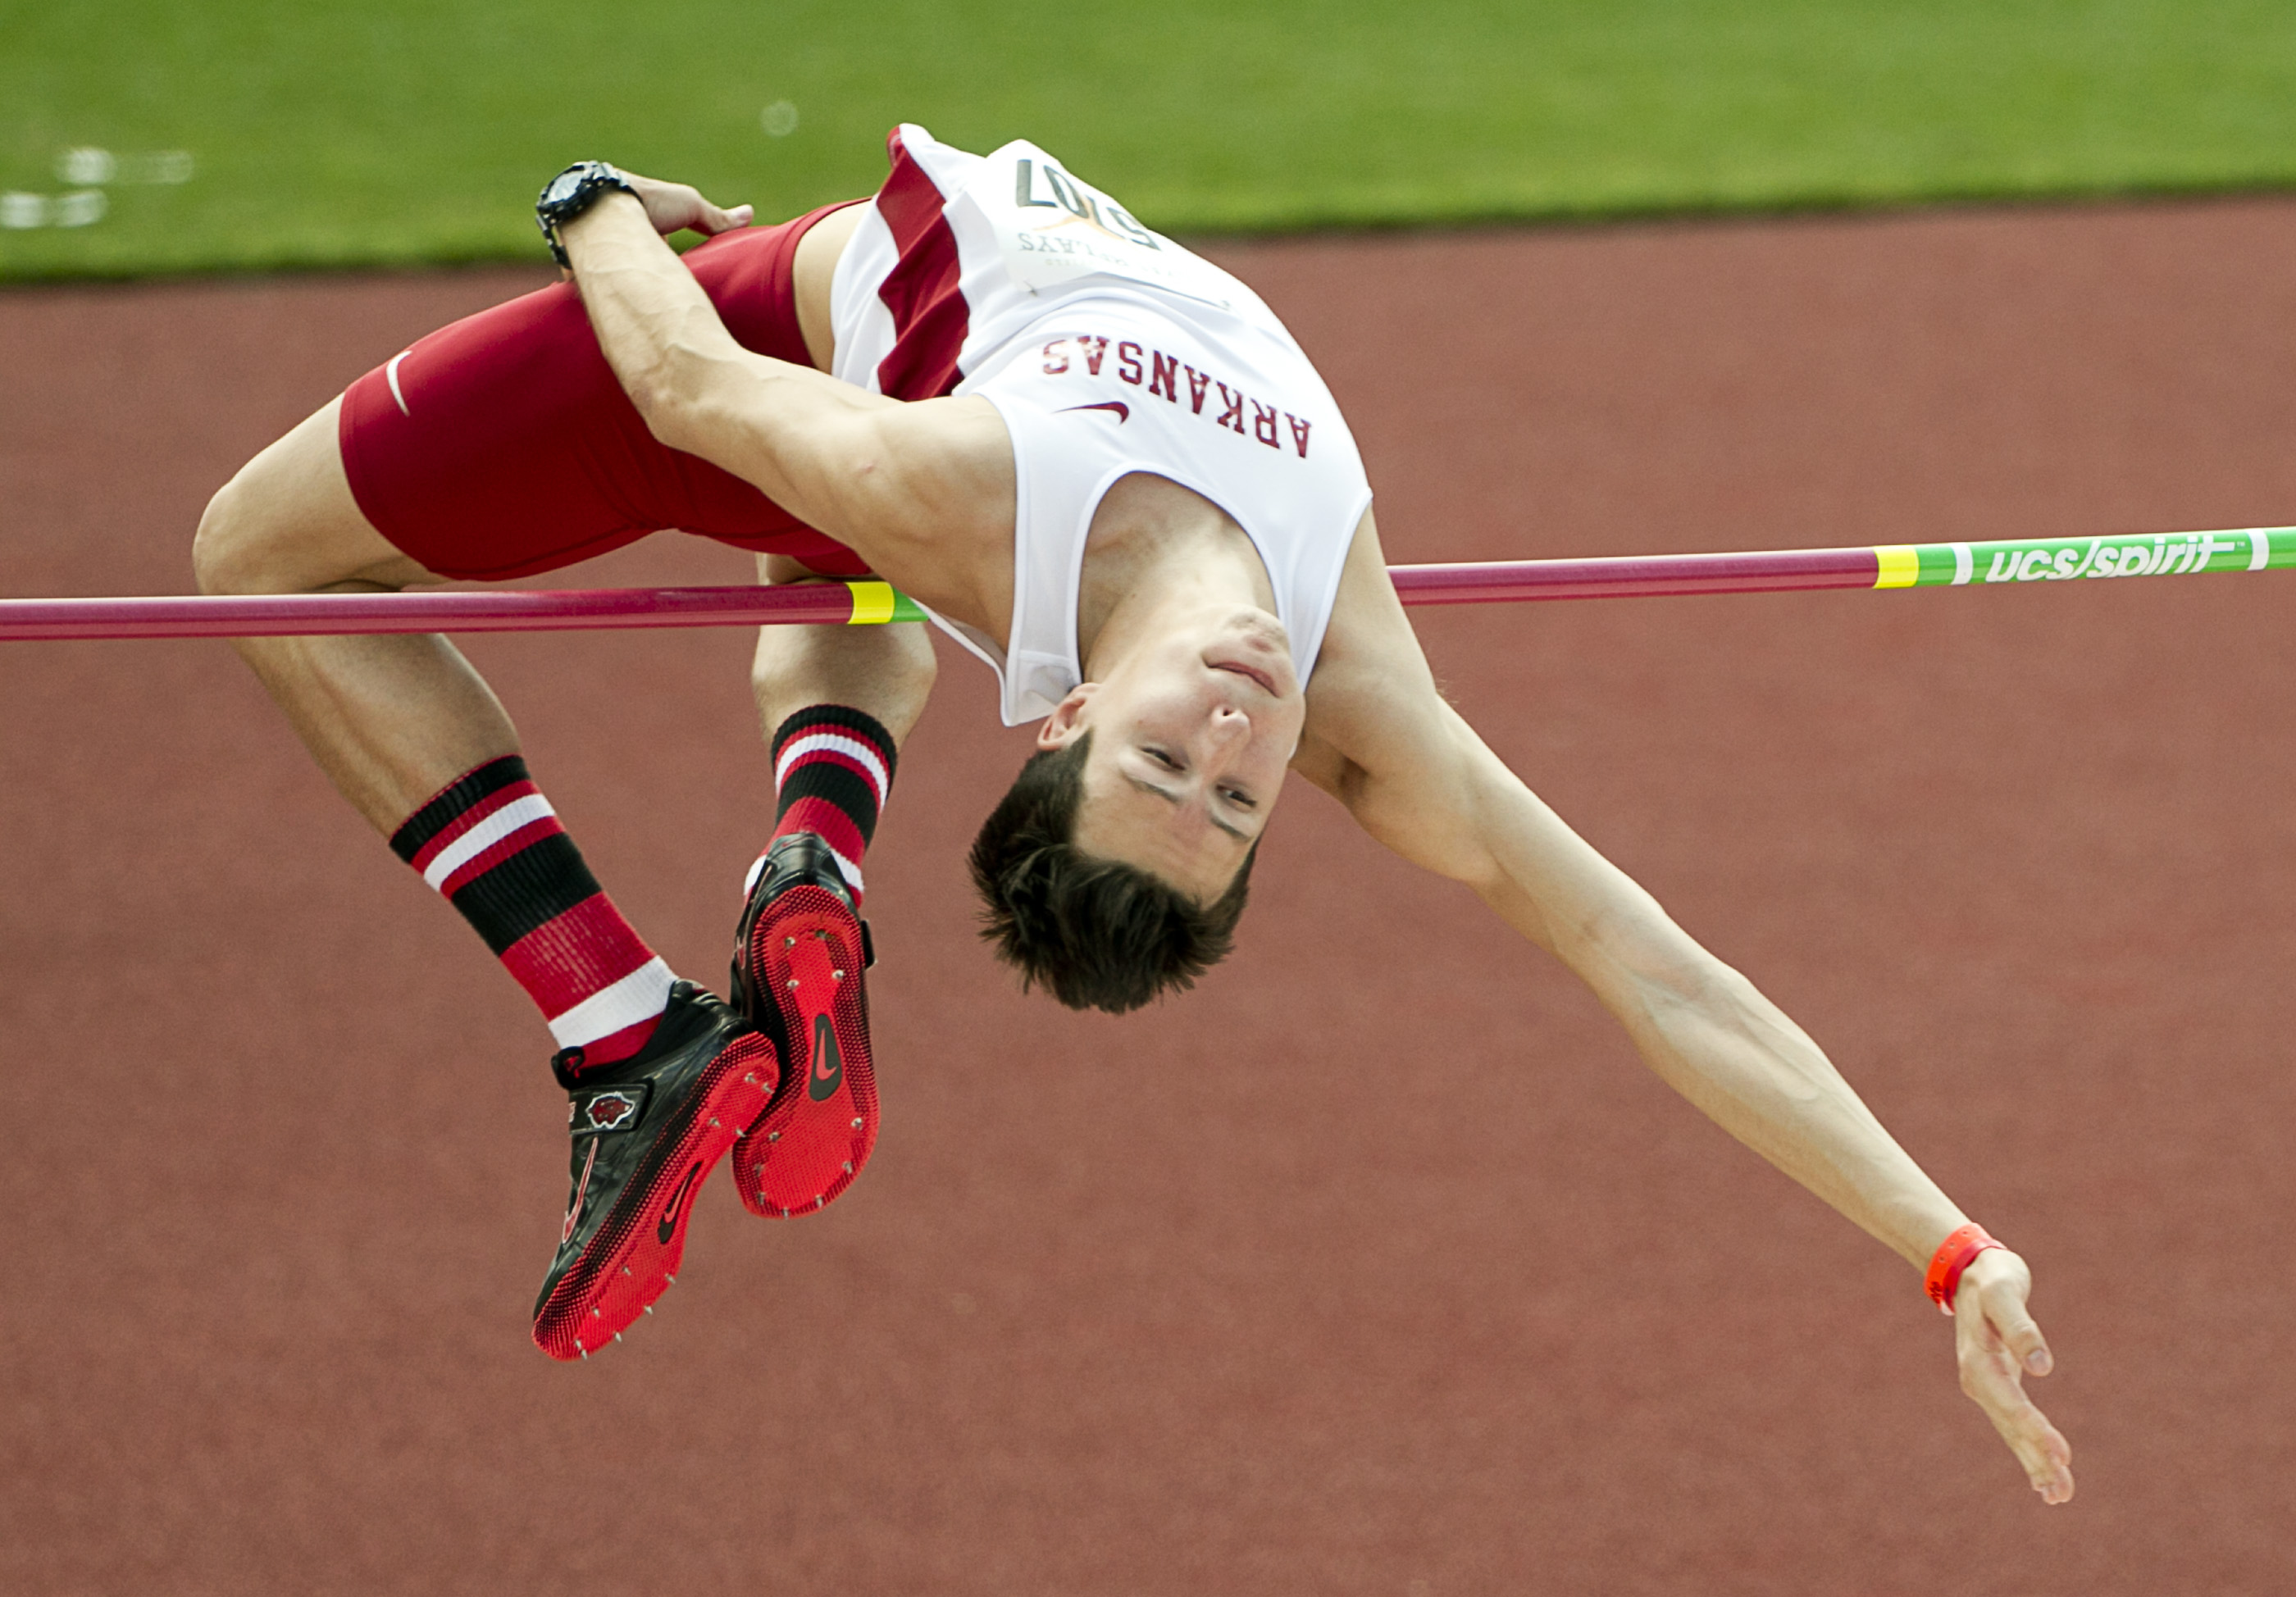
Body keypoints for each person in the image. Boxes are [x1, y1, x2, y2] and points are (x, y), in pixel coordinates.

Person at [197, 126, 2075, 1511]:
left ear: (1075, 711)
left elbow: (682, 375)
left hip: (780, 354)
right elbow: (1649, 966)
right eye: (1231, 790)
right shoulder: (1360, 698)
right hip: (853, 408)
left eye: (1165, 760)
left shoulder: (953, 483)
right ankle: (787, 890)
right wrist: (1945, 1237)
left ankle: (622, 1021)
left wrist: (591, 205)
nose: (1236, 728)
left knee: (255, 556)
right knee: (835, 620)